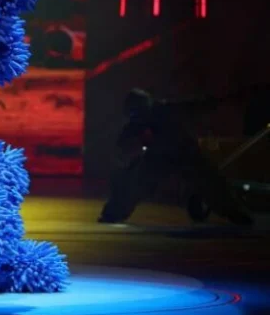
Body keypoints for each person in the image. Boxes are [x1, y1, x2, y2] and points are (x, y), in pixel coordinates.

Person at [99, 89, 254, 226]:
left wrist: (217, 101)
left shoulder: (165, 110)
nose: (137, 117)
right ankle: (113, 212)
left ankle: (237, 213)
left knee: (211, 184)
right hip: (160, 157)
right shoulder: (140, 119)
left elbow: (194, 106)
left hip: (184, 153)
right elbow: (123, 141)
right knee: (135, 183)